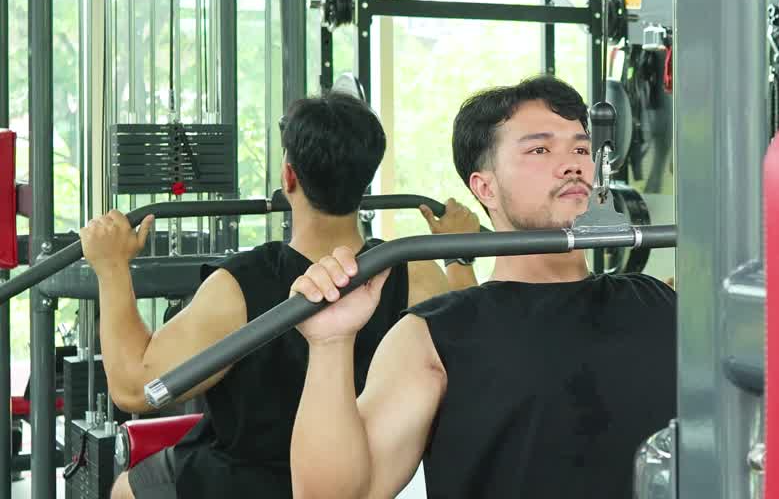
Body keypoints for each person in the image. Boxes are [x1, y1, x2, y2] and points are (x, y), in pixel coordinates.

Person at [288, 75, 677, 499]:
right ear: (485, 187)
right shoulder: (434, 336)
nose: (574, 165)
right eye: (540, 149)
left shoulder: (656, 301)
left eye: (581, 148)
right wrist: (330, 344)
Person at [79, 92, 481, 499]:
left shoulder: (239, 284)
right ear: (364, 179)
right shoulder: (415, 271)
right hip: (360, 481)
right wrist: (460, 257)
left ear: (289, 177)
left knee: (125, 489)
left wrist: (111, 267)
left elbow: (134, 389)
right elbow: (470, 351)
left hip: (238, 483)